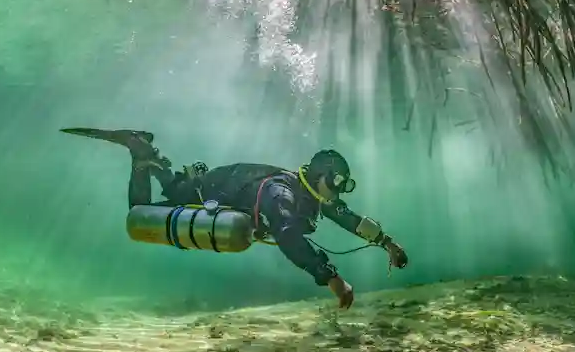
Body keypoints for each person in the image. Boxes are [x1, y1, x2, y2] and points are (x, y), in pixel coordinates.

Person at [61, 127, 409, 309]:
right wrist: (332, 278)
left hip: (216, 186)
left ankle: (148, 154)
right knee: (140, 212)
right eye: (336, 183)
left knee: (172, 187)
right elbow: (288, 236)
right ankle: (140, 154)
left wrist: (388, 244)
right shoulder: (282, 192)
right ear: (320, 176)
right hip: (210, 191)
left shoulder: (313, 194)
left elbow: (350, 218)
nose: (339, 193)